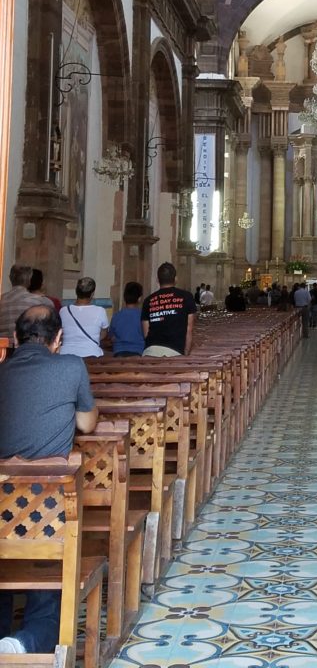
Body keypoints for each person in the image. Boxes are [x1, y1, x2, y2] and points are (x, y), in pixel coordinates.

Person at [0, 305, 98, 654]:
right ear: (59, 339)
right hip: (44, 509)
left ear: (14, 339)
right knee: (47, 592)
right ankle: (25, 643)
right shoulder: (72, 366)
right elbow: (87, 425)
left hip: (1, 506)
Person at [142, 262, 196, 357]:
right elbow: (189, 329)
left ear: (157, 280)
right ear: (176, 279)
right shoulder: (187, 297)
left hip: (150, 351)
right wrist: (186, 352)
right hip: (175, 351)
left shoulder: (148, 300)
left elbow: (146, 333)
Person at [59, 276, 108, 358]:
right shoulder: (100, 311)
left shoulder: (63, 311)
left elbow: (60, 333)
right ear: (92, 294)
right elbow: (103, 333)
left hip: (66, 354)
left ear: (76, 292)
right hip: (92, 354)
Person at [0, 264, 53, 339]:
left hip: (2, 348)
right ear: (29, 280)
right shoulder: (38, 302)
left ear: (10, 278)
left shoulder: (1, 299)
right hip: (25, 347)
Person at [107, 281, 145, 356]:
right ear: (139, 298)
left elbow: (111, 337)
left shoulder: (116, 316)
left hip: (119, 353)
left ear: (124, 297)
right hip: (138, 352)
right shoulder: (143, 316)